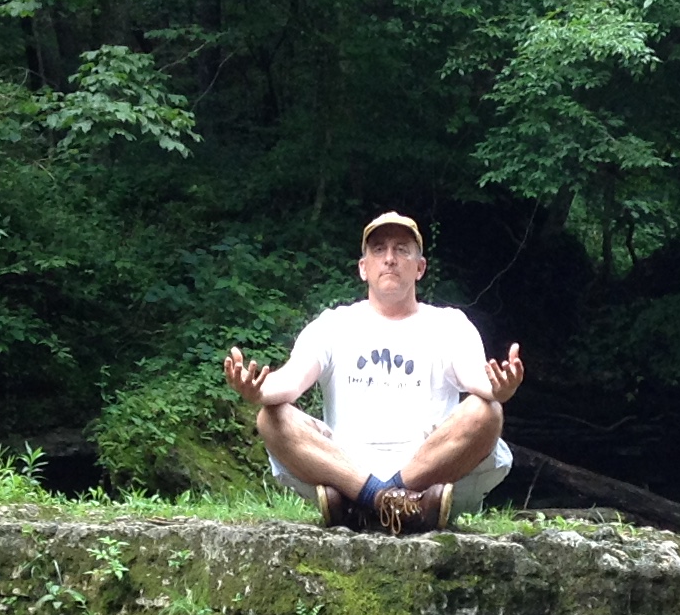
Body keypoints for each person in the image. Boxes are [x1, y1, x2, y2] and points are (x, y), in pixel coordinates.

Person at [223, 211, 523, 533]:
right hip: (347, 466)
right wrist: (260, 389)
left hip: (427, 463)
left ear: (420, 268)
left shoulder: (449, 324)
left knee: (487, 412)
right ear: (363, 268)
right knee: (270, 418)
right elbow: (292, 379)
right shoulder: (334, 324)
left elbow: (476, 378)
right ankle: (393, 502)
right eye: (379, 249)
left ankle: (364, 504)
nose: (390, 259)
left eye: (402, 250)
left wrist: (498, 389)